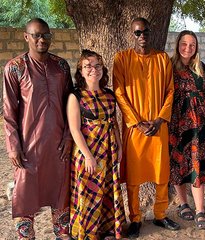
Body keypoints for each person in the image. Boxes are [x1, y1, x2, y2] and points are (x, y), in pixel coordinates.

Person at [3, 18, 73, 239]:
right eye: (36, 35)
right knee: (25, 195)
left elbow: (71, 104)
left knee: (61, 193)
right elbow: (8, 112)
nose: (42, 39)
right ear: (27, 37)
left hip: (58, 146)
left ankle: (62, 234)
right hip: (28, 147)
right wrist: (14, 146)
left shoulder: (61, 66)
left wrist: (69, 136)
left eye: (46, 35)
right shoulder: (15, 67)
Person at [112, 17, 179, 238]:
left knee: (161, 174)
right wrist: (137, 123)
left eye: (145, 32)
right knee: (133, 178)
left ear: (151, 32)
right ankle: (136, 219)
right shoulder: (122, 59)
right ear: (132, 34)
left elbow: (170, 91)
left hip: (158, 127)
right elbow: (119, 93)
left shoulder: (162, 59)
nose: (142, 36)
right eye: (137, 32)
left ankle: (160, 215)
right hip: (134, 130)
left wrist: (160, 120)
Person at [67, 50, 126, 239]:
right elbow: (75, 129)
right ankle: (88, 232)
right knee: (88, 193)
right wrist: (88, 156)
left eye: (97, 65)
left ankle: (107, 229)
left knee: (108, 190)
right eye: (88, 66)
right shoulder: (75, 97)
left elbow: (114, 123)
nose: (93, 69)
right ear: (81, 72)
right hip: (88, 153)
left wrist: (120, 148)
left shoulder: (109, 95)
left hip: (108, 151)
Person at [168, 30, 205, 230]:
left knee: (197, 164)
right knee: (178, 163)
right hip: (177, 123)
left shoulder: (202, 68)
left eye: (192, 45)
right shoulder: (168, 66)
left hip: (199, 123)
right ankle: (183, 203)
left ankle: (200, 209)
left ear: (197, 47)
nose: (188, 48)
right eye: (184, 44)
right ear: (178, 45)